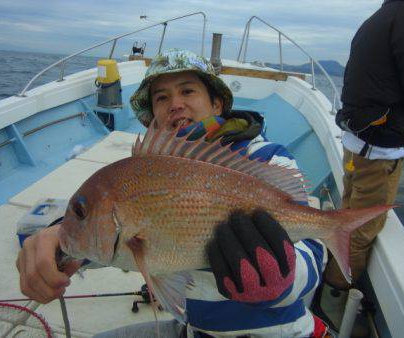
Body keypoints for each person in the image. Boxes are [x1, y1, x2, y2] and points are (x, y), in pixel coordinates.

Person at [17, 49, 328, 337]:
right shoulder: (143, 172)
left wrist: (283, 280)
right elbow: (115, 243)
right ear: (153, 116)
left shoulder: (268, 157)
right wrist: (60, 243)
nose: (175, 103)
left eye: (187, 90)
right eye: (161, 98)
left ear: (217, 103)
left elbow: (312, 256)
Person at [314, 0, 404, 332]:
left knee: (345, 217)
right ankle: (330, 302)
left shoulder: (382, 16)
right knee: (360, 231)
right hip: (379, 150)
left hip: (356, 143)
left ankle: (327, 280)